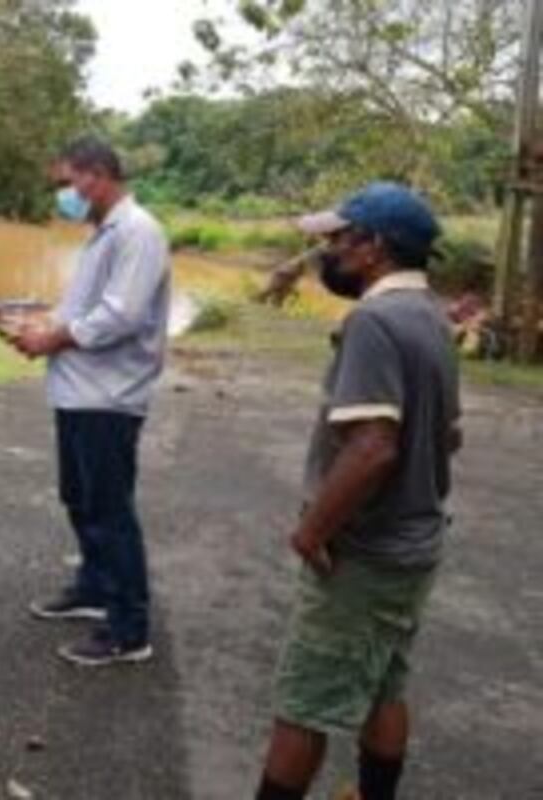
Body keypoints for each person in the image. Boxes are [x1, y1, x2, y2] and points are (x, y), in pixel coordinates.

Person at [255, 183, 462, 800]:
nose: (328, 254)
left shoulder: (374, 319)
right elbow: (446, 436)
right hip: (416, 544)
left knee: (302, 705)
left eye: (337, 240)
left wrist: (311, 529)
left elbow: (373, 447)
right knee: (384, 686)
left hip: (364, 555)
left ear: (373, 246)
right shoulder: (432, 315)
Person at [10, 136, 171, 667]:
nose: (64, 195)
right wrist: (40, 325)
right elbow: (85, 306)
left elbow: (120, 316)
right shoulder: (102, 234)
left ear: (97, 174)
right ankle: (96, 586)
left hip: (109, 395)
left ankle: (129, 628)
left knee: (109, 510)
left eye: (66, 182)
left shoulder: (138, 232)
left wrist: (52, 338)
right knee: (80, 499)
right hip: (79, 391)